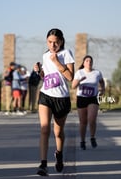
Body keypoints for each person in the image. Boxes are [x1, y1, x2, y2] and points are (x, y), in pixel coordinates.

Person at [37, 28, 75, 176]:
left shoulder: (66, 54)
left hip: (61, 98)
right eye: (50, 42)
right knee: (44, 129)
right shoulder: (45, 55)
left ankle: (59, 155)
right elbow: (45, 76)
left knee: (58, 132)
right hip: (46, 95)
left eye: (56, 42)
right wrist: (39, 71)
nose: (53, 45)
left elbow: (70, 77)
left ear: (61, 42)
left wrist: (57, 62)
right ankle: (43, 164)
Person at [72, 55, 105, 150]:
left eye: (90, 61)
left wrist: (102, 89)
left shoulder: (97, 73)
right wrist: (79, 81)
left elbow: (102, 82)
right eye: (87, 61)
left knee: (91, 119)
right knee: (83, 122)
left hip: (93, 98)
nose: (89, 62)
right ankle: (82, 140)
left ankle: (92, 137)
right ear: (83, 63)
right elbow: (73, 86)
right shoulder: (79, 73)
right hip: (82, 98)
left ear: (92, 63)